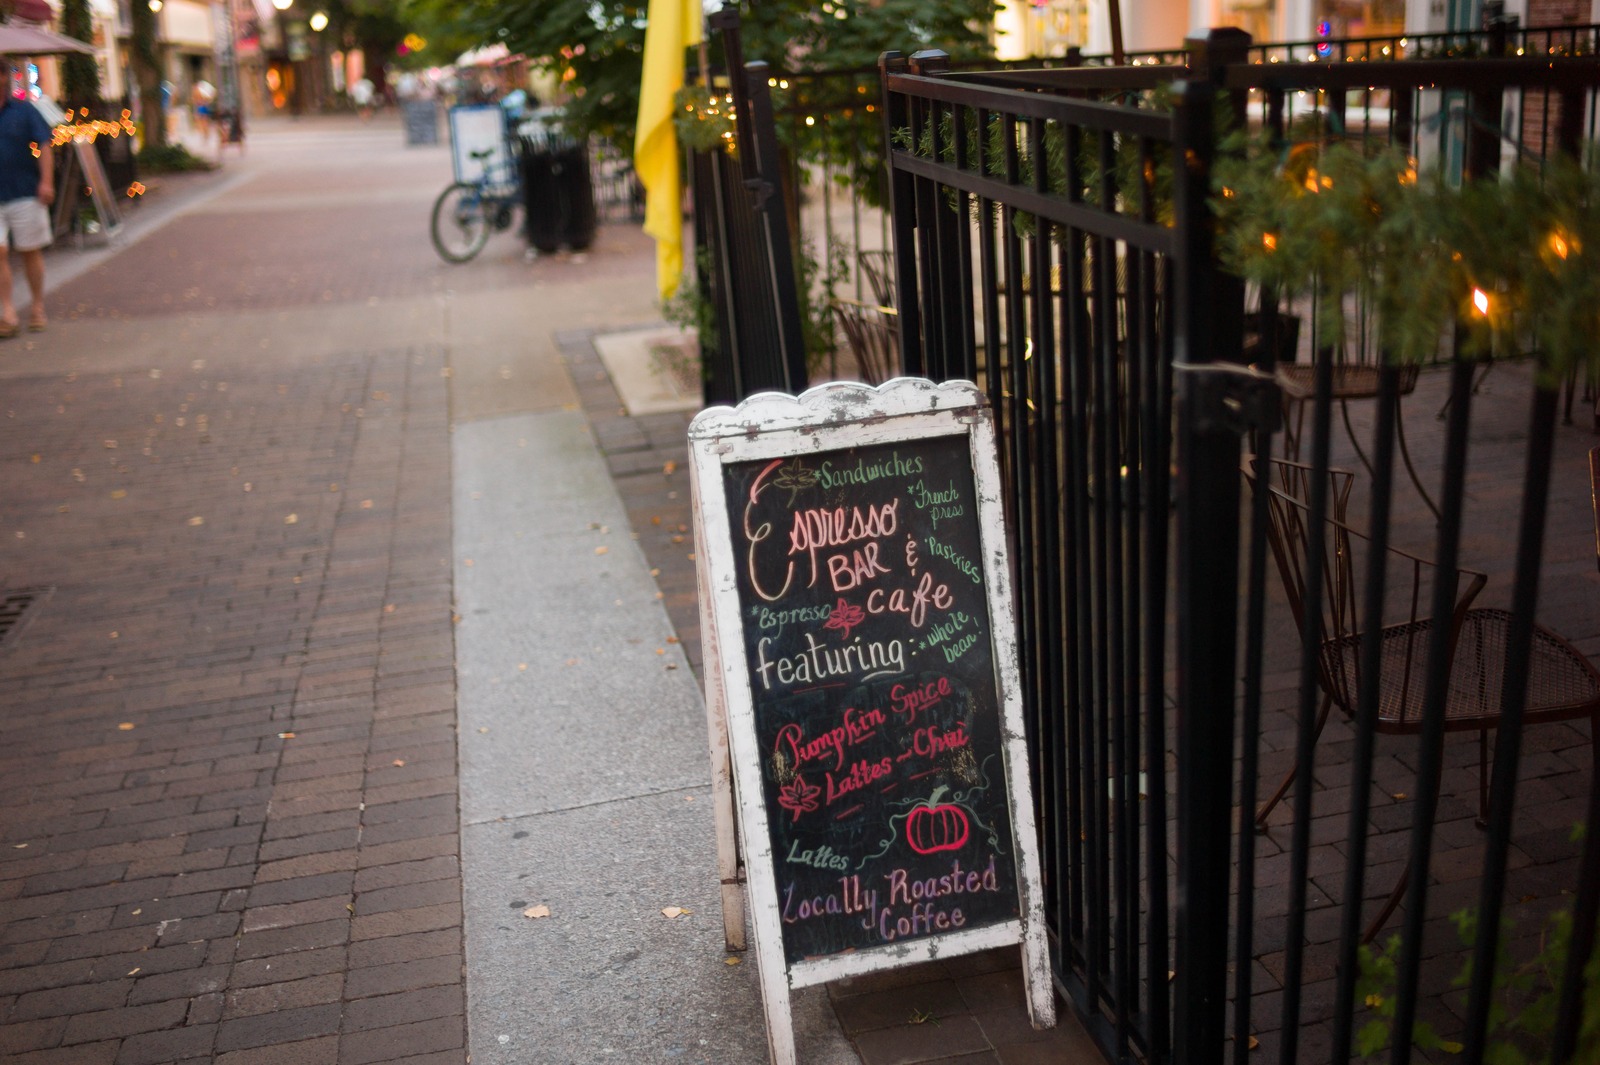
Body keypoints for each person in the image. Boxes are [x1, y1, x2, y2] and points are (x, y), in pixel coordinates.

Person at [0, 57, 53, 336]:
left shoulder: (23, 111)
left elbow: (44, 143)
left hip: (24, 190)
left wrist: (46, 181)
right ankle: (7, 311)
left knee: (29, 250)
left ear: (4, 78)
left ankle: (37, 305)